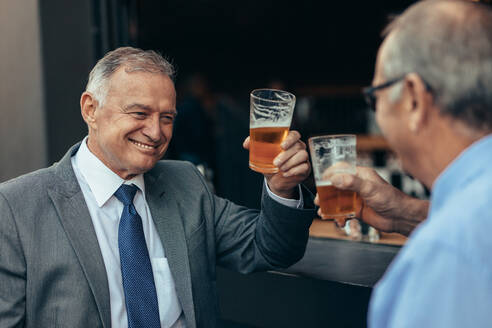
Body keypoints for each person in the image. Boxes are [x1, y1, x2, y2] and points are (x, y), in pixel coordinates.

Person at [0, 47, 316, 328]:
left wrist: (282, 188)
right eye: (139, 113)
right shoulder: (16, 207)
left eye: (167, 117)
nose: (155, 132)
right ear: (90, 109)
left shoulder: (186, 183)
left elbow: (269, 248)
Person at [316, 0, 492, 326]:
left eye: (375, 96)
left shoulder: (445, 256)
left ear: (413, 98)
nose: (377, 111)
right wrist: (404, 213)